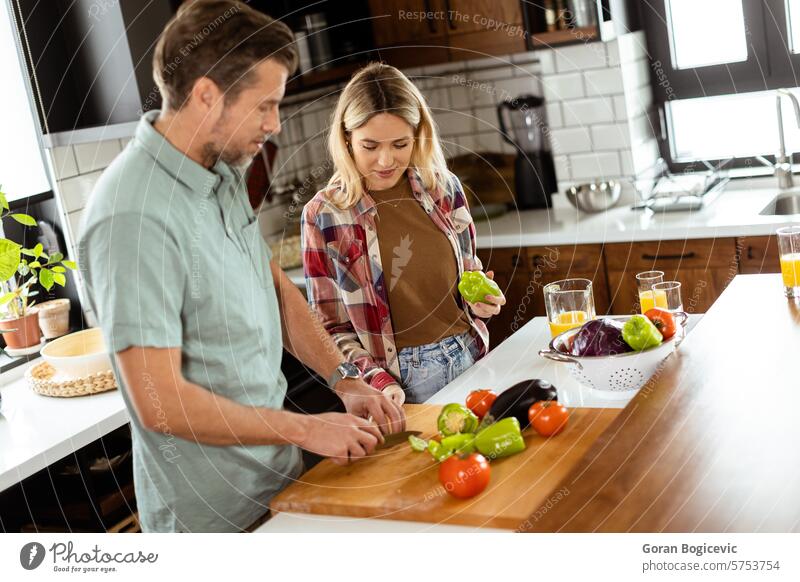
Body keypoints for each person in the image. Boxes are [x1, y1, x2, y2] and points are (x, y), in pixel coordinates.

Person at [78, 0, 404, 533]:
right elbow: (159, 402)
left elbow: (271, 288)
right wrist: (302, 429)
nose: (274, 125)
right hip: (213, 520)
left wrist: (344, 379)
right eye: (264, 105)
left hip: (280, 487)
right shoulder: (131, 216)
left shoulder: (221, 169)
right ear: (207, 95)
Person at [301, 63, 505, 405]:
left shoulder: (444, 189)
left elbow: (468, 275)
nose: (386, 160)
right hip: (397, 385)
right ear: (347, 139)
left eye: (400, 144)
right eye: (370, 146)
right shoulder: (323, 215)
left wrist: (482, 301)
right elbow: (330, 329)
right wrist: (378, 381)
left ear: (418, 135)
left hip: (471, 356)